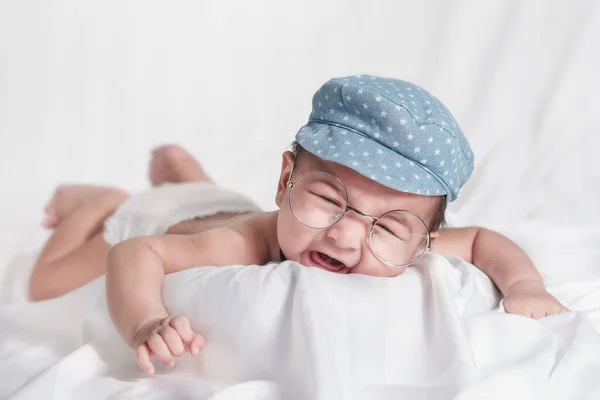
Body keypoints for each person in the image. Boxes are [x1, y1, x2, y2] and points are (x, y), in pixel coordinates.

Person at [30, 75, 568, 375]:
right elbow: (136, 255)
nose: (346, 234)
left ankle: (181, 168)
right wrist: (146, 321)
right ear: (286, 178)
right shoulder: (240, 243)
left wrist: (525, 286)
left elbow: (479, 240)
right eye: (328, 197)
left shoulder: (407, 245)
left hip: (220, 199)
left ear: (423, 241)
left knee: (216, 196)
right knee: (45, 283)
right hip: (159, 218)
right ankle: (97, 201)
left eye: (387, 227)